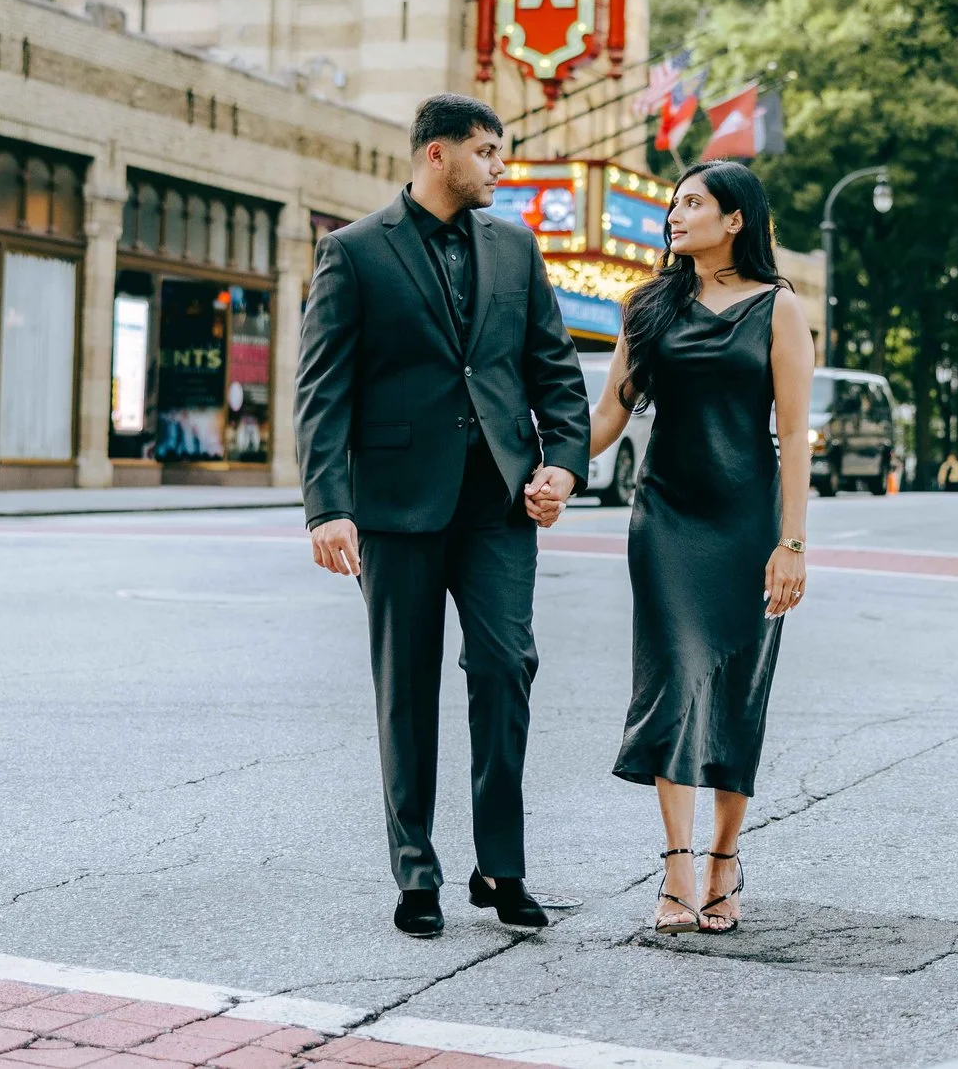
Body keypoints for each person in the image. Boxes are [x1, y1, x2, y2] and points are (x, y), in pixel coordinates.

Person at [295, 94, 592, 939]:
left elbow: (554, 371)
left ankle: (500, 864)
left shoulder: (516, 246)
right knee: (407, 689)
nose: (501, 167)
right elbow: (323, 390)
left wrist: (562, 467)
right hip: (394, 507)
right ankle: (415, 869)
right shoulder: (353, 252)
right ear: (437, 155)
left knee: (506, 668)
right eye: (488, 151)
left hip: (497, 502)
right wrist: (329, 506)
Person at [583, 160, 811, 934]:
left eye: (691, 203)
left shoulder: (778, 308)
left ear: (735, 218)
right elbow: (607, 420)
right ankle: (677, 862)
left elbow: (794, 436)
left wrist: (793, 542)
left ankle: (723, 857)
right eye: (673, 204)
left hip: (748, 521)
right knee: (673, 681)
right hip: (667, 519)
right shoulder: (647, 304)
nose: (673, 215)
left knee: (740, 688)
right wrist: (537, 459)